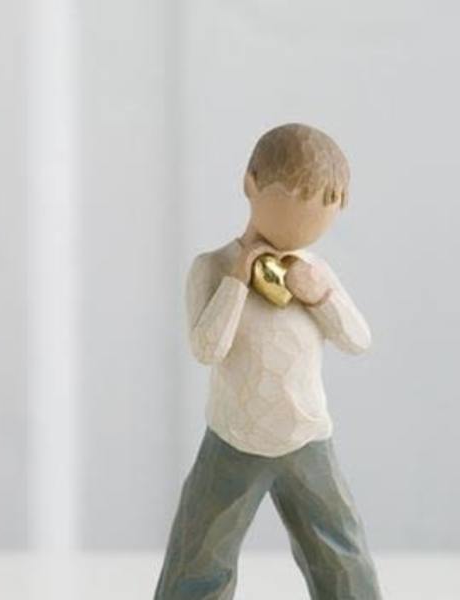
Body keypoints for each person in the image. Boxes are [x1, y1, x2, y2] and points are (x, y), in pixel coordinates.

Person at [154, 123, 383, 600]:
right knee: (201, 555)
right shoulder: (211, 268)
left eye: (323, 213)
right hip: (233, 438)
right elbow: (207, 349)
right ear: (250, 184)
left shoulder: (315, 271)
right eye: (293, 206)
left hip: (306, 436)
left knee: (340, 551)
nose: (304, 229)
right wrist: (237, 281)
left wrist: (320, 297)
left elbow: (358, 339)